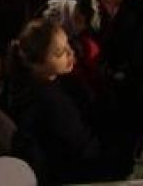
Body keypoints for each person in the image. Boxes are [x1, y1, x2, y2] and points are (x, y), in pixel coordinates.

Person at [6, 18, 102, 185]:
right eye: (60, 53)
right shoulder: (47, 100)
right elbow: (81, 148)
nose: (71, 53)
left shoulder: (46, 82)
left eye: (68, 45)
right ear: (36, 63)